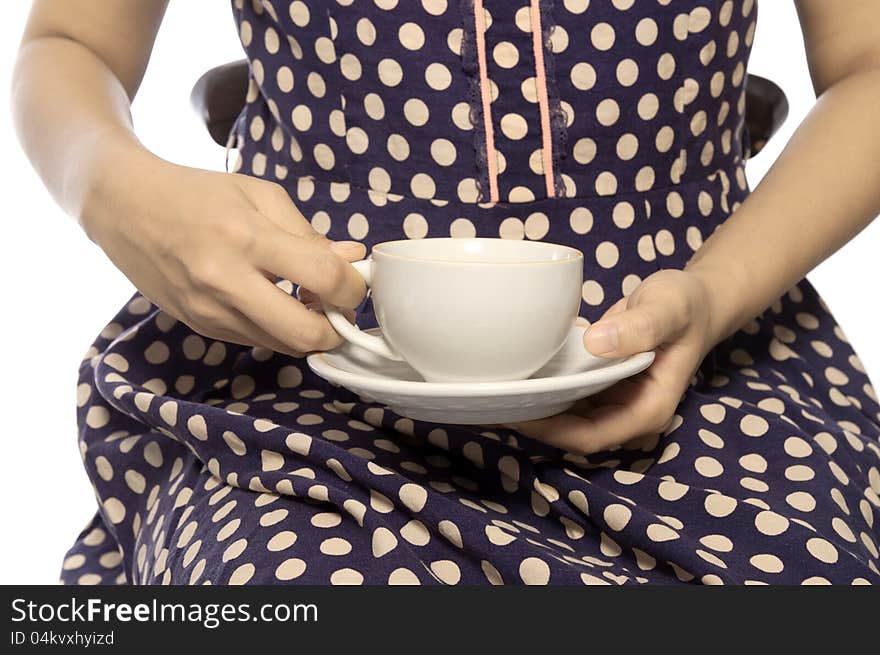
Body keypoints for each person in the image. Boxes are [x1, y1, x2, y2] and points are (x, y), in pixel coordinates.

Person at [12, 0, 880, 585]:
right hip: (296, 367)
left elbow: (868, 63)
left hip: (712, 355)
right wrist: (116, 191)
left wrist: (713, 293)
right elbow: (70, 43)